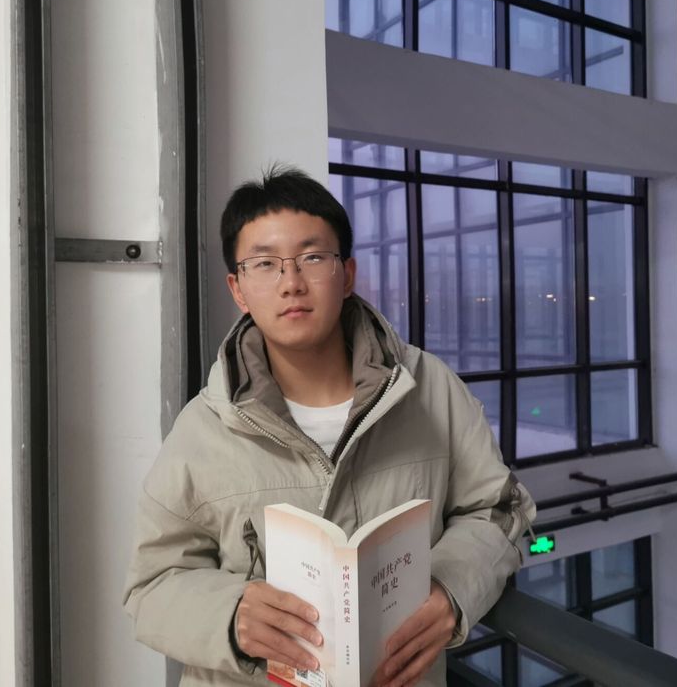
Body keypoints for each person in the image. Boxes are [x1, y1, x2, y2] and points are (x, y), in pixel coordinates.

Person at [123, 166, 536, 687]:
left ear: (347, 274)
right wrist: (230, 616)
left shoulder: (429, 388)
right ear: (238, 289)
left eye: (313, 257)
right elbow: (151, 586)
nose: (292, 283)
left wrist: (451, 589)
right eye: (265, 264)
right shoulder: (204, 427)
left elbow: (500, 509)